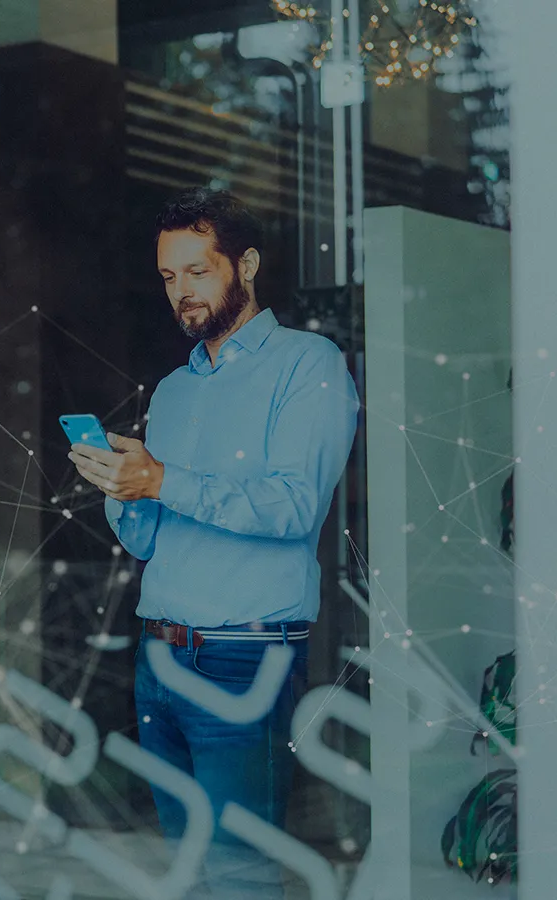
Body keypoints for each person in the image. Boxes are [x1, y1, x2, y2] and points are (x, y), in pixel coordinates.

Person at [68, 188, 359, 898]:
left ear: (246, 264)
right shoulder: (171, 389)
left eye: (197, 271)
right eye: (169, 276)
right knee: (186, 869)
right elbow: (146, 540)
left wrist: (162, 478)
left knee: (238, 875)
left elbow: (294, 508)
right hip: (158, 655)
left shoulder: (308, 363)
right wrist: (122, 486)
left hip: (245, 658)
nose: (182, 292)